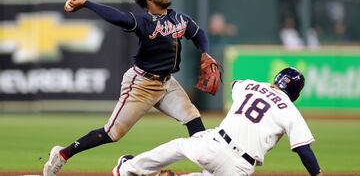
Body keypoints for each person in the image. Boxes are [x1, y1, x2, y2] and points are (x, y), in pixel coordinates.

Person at [43, 0, 218, 175]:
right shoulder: (144, 21)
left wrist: (205, 53)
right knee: (112, 133)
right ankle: (63, 154)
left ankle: (210, 170)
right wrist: (87, 3)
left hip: (167, 83)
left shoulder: (179, 18)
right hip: (142, 84)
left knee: (194, 120)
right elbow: (118, 17)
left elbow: (198, 34)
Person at [112, 67, 324, 176]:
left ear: (275, 79)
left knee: (178, 147)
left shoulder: (250, 85)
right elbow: (303, 150)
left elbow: (234, 84)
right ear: (296, 93)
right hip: (240, 168)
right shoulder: (291, 111)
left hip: (216, 144)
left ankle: (128, 169)